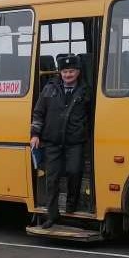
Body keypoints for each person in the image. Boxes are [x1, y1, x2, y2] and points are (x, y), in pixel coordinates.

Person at [30, 53, 89, 228]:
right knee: (52, 179)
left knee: (74, 172)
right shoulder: (49, 89)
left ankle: (71, 206)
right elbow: (38, 113)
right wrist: (35, 134)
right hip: (52, 142)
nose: (68, 75)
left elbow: (90, 116)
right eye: (64, 72)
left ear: (78, 72)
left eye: (71, 71)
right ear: (60, 73)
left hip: (75, 142)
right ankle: (52, 215)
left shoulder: (85, 91)